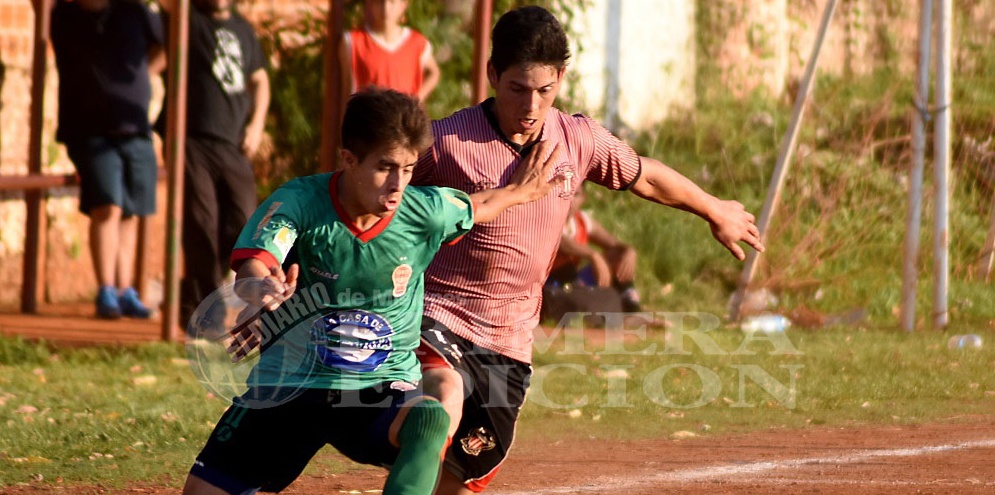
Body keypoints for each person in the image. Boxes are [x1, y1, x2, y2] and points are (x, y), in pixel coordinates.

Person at [410, 6, 765, 494]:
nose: (531, 106)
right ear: (493, 75)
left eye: (544, 90)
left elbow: (645, 175)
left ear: (561, 77)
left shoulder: (576, 139)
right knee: (439, 410)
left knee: (460, 478)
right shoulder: (447, 141)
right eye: (517, 89)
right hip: (438, 319)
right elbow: (375, 189)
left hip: (510, 343)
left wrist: (713, 208)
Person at [181, 88, 564, 495]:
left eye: (409, 168)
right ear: (349, 159)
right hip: (290, 386)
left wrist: (522, 192)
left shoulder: (423, 212)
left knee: (429, 417)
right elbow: (258, 260)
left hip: (377, 389)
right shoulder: (300, 201)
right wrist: (264, 288)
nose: (399, 184)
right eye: (385, 167)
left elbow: (479, 204)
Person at [156, 0, 271, 327]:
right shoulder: (186, 18)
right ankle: (205, 314)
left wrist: (257, 124)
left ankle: (194, 294)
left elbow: (260, 79)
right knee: (200, 223)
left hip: (233, 143)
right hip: (192, 140)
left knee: (244, 223)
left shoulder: (243, 27)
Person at [50, 0, 164, 319]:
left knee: (130, 212)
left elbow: (168, 45)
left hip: (136, 128)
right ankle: (106, 289)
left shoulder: (135, 11)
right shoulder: (64, 15)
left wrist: (144, 73)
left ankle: (126, 290)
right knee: (108, 205)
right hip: (89, 131)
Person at [541, 185, 643, 322]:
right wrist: (593, 255)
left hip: (573, 281)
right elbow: (560, 242)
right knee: (568, 269)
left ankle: (633, 311)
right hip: (550, 282)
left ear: (583, 198)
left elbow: (615, 246)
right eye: (565, 194)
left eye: (575, 195)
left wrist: (630, 252)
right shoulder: (546, 218)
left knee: (617, 257)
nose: (570, 200)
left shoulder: (581, 221)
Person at [339, 0, 440, 103]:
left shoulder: (418, 43)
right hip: (369, 117)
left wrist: (415, 100)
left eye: (392, 2)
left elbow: (434, 72)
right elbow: (346, 90)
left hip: (404, 117)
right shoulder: (353, 42)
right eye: (380, 2)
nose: (386, 8)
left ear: (403, 5)